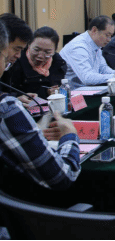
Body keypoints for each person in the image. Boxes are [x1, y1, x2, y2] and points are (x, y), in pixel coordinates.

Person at [0, 20, 81, 190]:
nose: (13, 58)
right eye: (6, 57)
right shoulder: (6, 108)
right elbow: (62, 176)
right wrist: (70, 136)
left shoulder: (58, 62)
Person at [60, 15, 115, 90]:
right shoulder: (78, 47)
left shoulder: (96, 45)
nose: (109, 39)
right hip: (73, 92)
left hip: (88, 89)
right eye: (107, 35)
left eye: (111, 36)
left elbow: (103, 69)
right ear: (94, 30)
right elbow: (87, 78)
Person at [2, 27, 68, 100]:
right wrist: (17, 98)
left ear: (55, 50)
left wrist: (52, 92)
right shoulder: (15, 61)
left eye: (47, 52)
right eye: (36, 50)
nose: (40, 56)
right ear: (29, 45)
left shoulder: (58, 64)